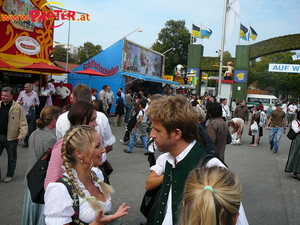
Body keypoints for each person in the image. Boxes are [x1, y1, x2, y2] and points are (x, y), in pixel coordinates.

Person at [144, 95, 248, 225]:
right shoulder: (167, 159)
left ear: (177, 134)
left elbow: (238, 220)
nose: (152, 135)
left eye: (157, 130)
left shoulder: (212, 167)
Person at [44, 125, 130, 224]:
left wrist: (111, 217)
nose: (103, 150)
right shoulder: (60, 190)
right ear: (79, 153)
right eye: (97, 146)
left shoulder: (96, 174)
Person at [45, 101, 98, 189]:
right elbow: (50, 182)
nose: (96, 123)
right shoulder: (64, 144)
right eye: (93, 119)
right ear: (81, 120)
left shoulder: (88, 141)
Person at [21, 105, 60, 225]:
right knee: (39, 213)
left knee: (30, 211)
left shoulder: (35, 133)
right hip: (40, 181)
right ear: (54, 119)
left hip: (31, 178)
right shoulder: (51, 138)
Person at [0, 87, 28, 183]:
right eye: (2, 95)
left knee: (12, 157)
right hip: (0, 135)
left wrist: (22, 135)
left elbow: (23, 122)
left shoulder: (17, 107)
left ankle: (9, 175)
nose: (3, 97)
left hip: (11, 137)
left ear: (11, 96)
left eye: (5, 96)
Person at [16, 83, 40, 148]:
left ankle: (30, 141)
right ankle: (26, 142)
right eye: (24, 87)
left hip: (31, 113)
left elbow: (38, 103)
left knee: (31, 128)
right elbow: (17, 101)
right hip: (23, 113)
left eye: (26, 87)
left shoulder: (34, 94)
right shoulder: (22, 93)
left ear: (30, 87)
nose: (25, 89)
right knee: (25, 128)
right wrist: (20, 102)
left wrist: (35, 104)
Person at [285, 111, 300, 180]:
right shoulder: (295, 122)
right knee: (295, 154)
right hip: (297, 140)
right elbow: (296, 130)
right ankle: (294, 171)